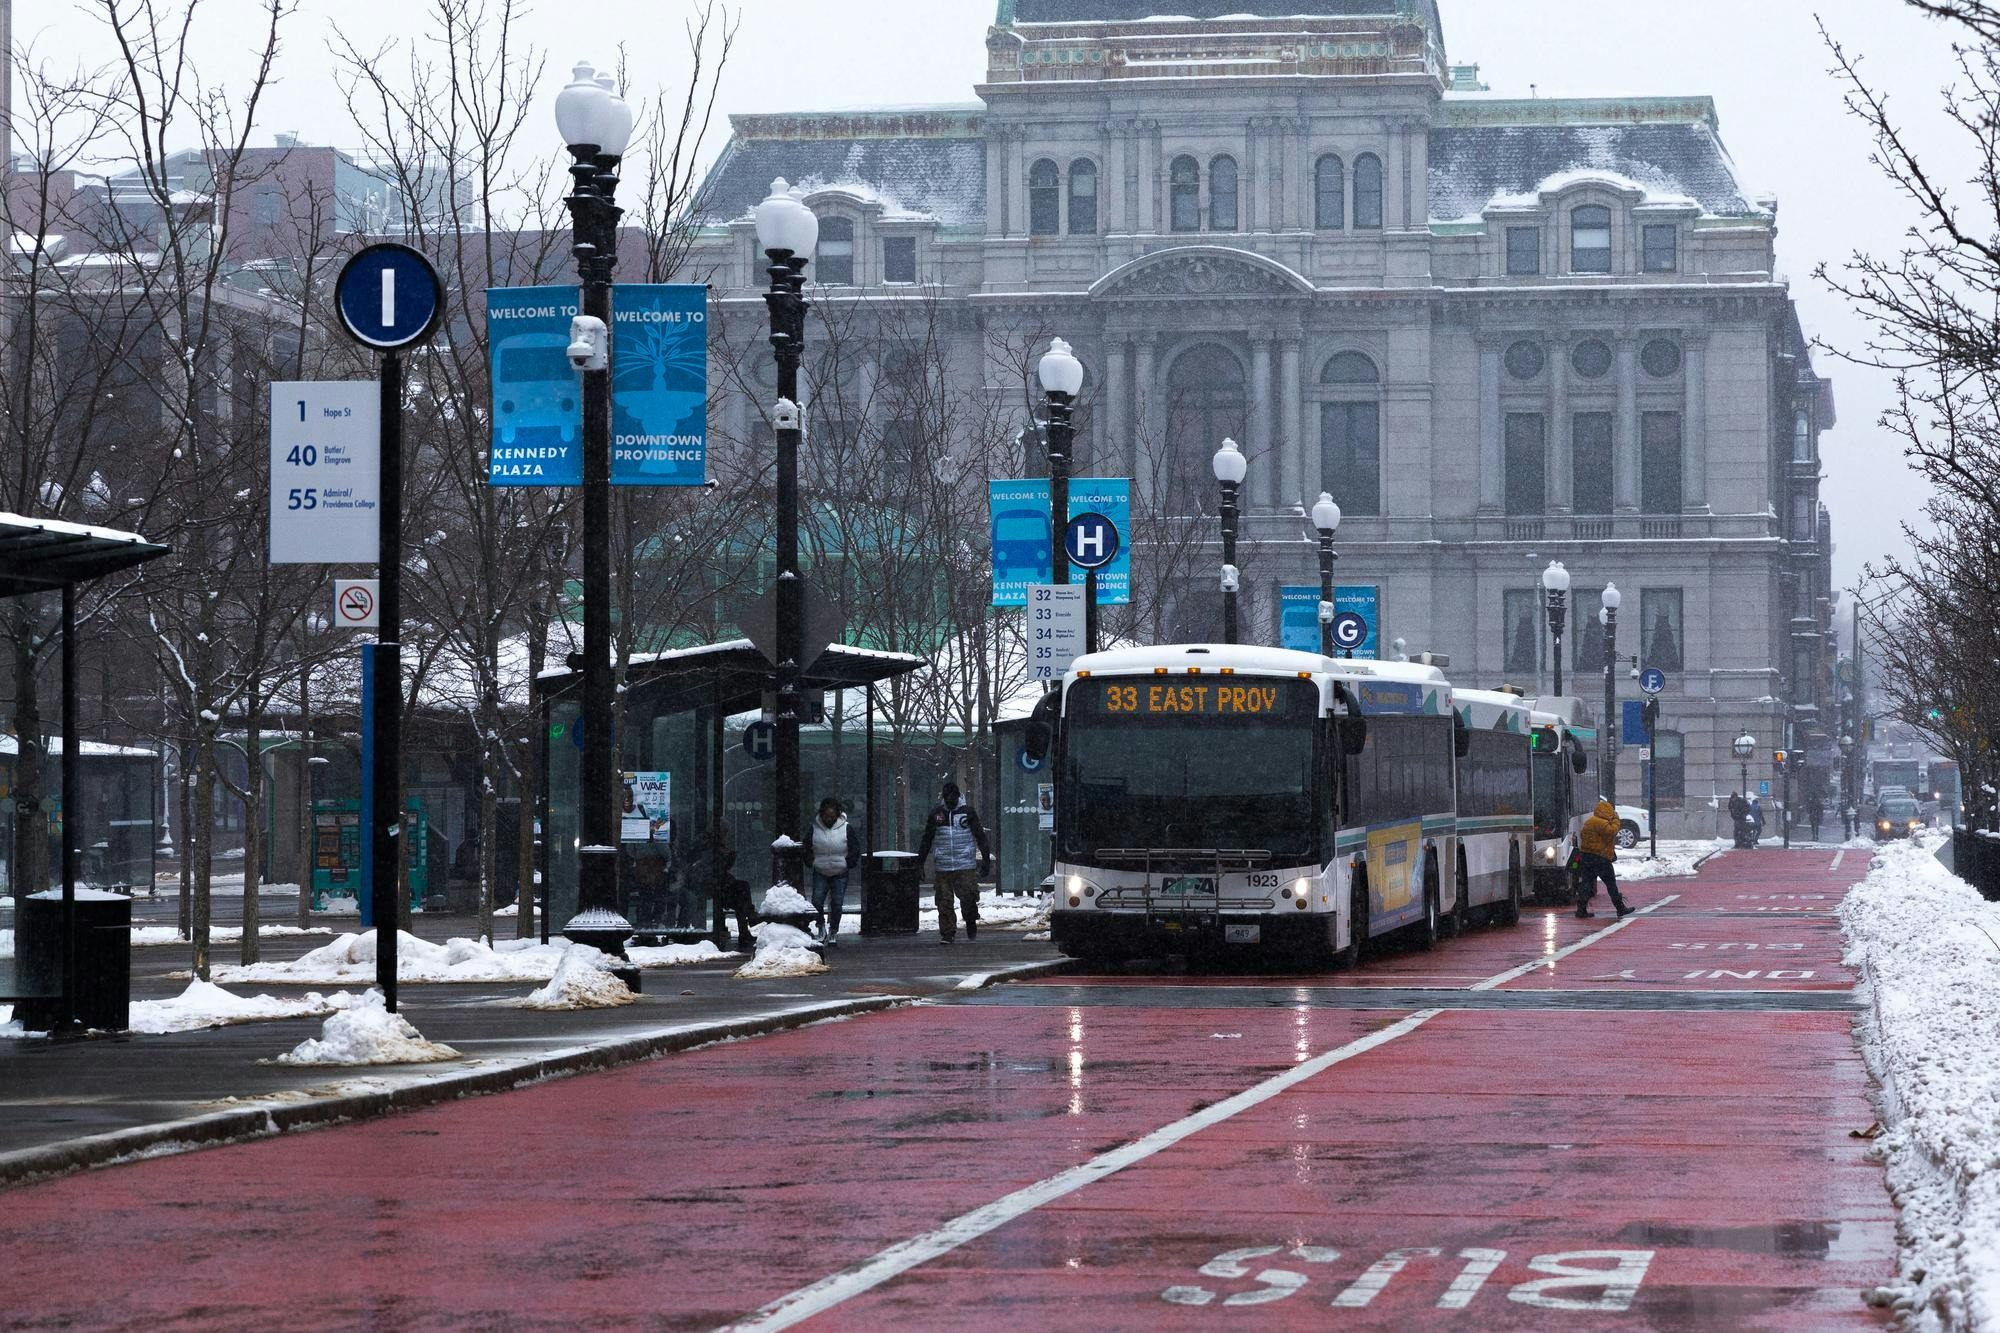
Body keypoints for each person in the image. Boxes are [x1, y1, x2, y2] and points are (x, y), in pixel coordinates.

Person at [916, 780, 993, 944]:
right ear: (944, 797)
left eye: (954, 797)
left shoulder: (968, 813)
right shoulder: (936, 814)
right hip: (943, 866)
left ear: (958, 796)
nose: (951, 800)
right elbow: (927, 839)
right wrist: (919, 862)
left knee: (969, 898)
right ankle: (947, 933)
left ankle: (970, 919)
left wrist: (986, 859)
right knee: (944, 902)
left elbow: (980, 837)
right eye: (948, 797)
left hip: (965, 864)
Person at [809, 797, 864, 944]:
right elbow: (807, 846)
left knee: (837, 903)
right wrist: (811, 861)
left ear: (837, 815)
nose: (829, 819)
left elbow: (854, 847)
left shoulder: (846, 828)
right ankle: (821, 926)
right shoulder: (814, 829)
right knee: (816, 901)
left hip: (840, 870)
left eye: (832, 817)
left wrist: (848, 863)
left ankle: (833, 930)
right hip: (821, 869)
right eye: (826, 816)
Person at [1575, 799, 1631, 920]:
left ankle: (1581, 909)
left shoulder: (1589, 821)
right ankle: (1620, 908)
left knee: (1586, 884)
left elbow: (1583, 836)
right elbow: (1612, 832)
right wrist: (1616, 820)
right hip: (1600, 859)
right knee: (1611, 884)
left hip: (1586, 857)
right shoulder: (1601, 823)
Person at [707, 825, 757, 951]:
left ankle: (747, 919)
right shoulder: (711, 847)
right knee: (741, 893)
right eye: (724, 832)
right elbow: (718, 869)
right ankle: (748, 918)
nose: (725, 836)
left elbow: (724, 870)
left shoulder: (719, 846)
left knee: (742, 890)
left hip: (721, 886)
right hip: (715, 887)